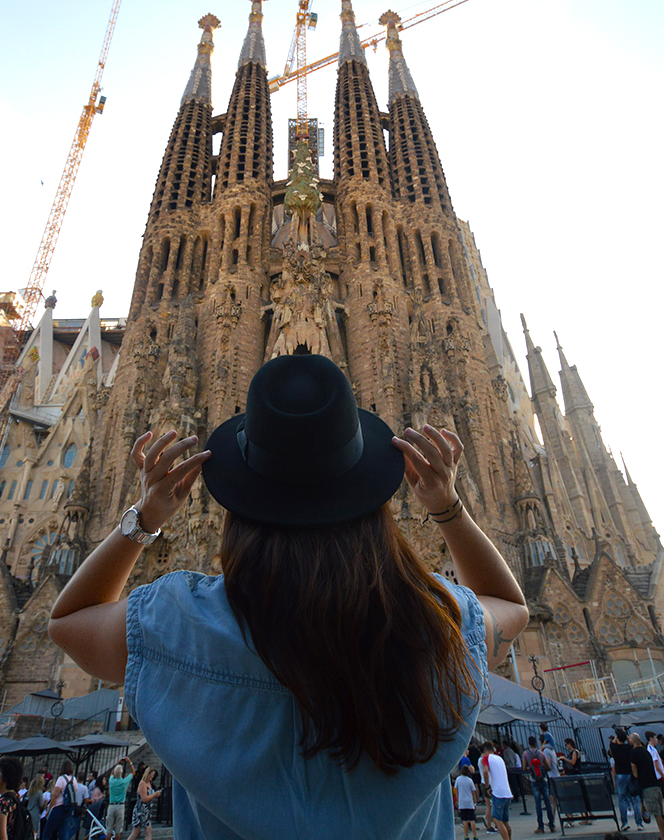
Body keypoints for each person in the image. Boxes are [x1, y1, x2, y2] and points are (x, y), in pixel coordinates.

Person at [47, 354, 530, 839]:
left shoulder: (183, 624)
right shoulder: (432, 625)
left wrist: (145, 516)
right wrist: (448, 509)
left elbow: (70, 620)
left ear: (240, 508)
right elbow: (510, 606)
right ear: (370, 503)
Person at [610, 729, 643, 832]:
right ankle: (639, 823)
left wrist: (617, 735)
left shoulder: (614, 748)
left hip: (620, 775)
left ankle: (624, 823)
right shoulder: (629, 748)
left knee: (622, 799)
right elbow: (631, 743)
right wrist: (626, 737)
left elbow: (613, 743)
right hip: (630, 774)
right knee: (635, 799)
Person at [631, 734, 662, 837]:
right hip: (655, 784)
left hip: (647, 787)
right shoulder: (646, 751)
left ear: (633, 741)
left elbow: (634, 771)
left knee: (657, 814)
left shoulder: (634, 753)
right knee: (660, 812)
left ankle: (663, 836)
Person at [522, 736, 555, 834]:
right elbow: (549, 767)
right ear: (536, 743)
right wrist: (541, 770)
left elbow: (524, 768)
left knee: (538, 804)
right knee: (547, 802)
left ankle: (540, 826)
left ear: (529, 744)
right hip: (543, 780)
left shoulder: (525, 754)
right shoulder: (541, 754)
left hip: (534, 780)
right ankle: (552, 825)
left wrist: (531, 770)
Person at [42, 760, 79, 840]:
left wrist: (49, 809)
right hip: (68, 808)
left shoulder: (61, 779)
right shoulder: (74, 779)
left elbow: (55, 795)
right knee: (64, 833)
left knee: (47, 832)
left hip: (59, 807)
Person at [126, 771, 160, 840]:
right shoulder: (142, 784)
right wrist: (154, 795)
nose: (152, 777)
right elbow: (144, 799)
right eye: (151, 775)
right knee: (136, 832)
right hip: (141, 810)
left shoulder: (149, 783)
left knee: (147, 831)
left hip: (147, 810)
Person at [105, 760, 135, 840]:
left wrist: (118, 763)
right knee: (118, 831)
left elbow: (111, 774)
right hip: (120, 805)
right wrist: (129, 762)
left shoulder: (111, 781)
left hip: (111, 805)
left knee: (109, 830)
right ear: (121, 773)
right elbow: (133, 772)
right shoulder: (124, 781)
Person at [456, 765, 478, 839]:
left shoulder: (458, 779)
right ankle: (475, 836)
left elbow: (456, 790)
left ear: (461, 771)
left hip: (462, 802)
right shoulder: (470, 780)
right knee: (472, 820)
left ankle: (466, 836)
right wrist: (474, 802)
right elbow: (473, 792)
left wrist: (458, 800)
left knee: (464, 820)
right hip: (469, 802)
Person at [540, 737, 559, 820]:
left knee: (552, 799)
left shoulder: (546, 751)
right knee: (554, 799)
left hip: (552, 777)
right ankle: (553, 819)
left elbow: (548, 763)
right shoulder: (552, 750)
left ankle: (552, 819)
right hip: (555, 775)